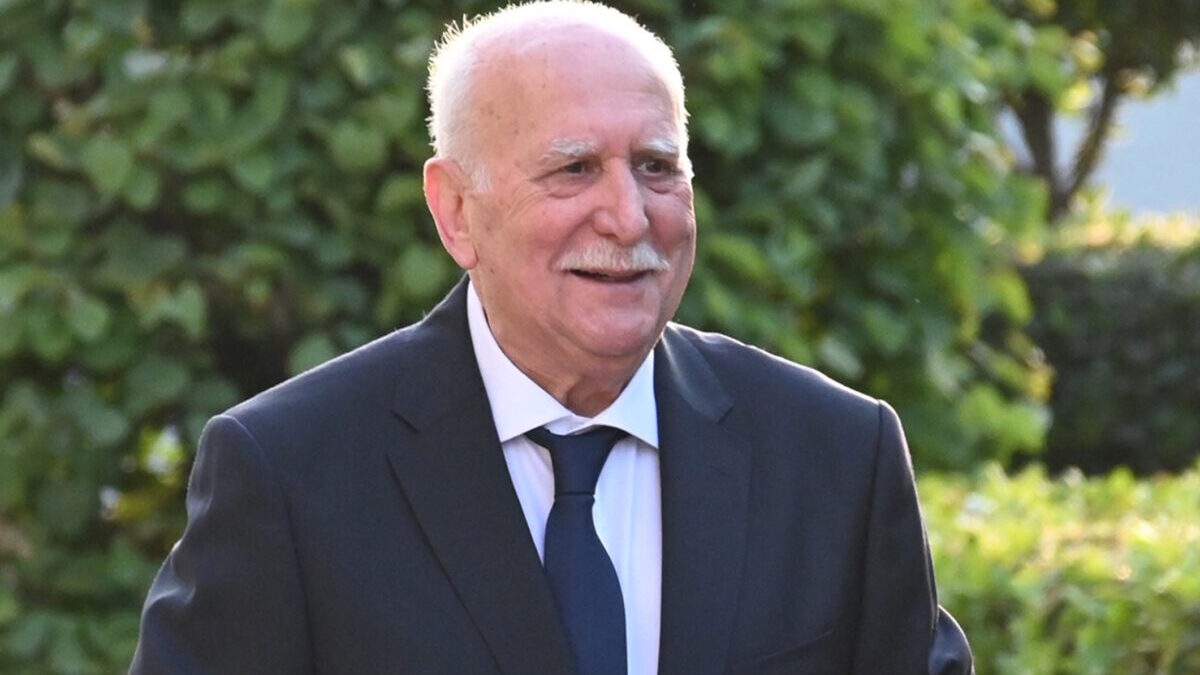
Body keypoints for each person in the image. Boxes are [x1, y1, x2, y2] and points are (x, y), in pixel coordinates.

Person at [131, 2, 972, 673]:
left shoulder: (835, 454)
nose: (629, 216)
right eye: (574, 169)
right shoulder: (290, 471)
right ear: (456, 212)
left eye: (656, 166)